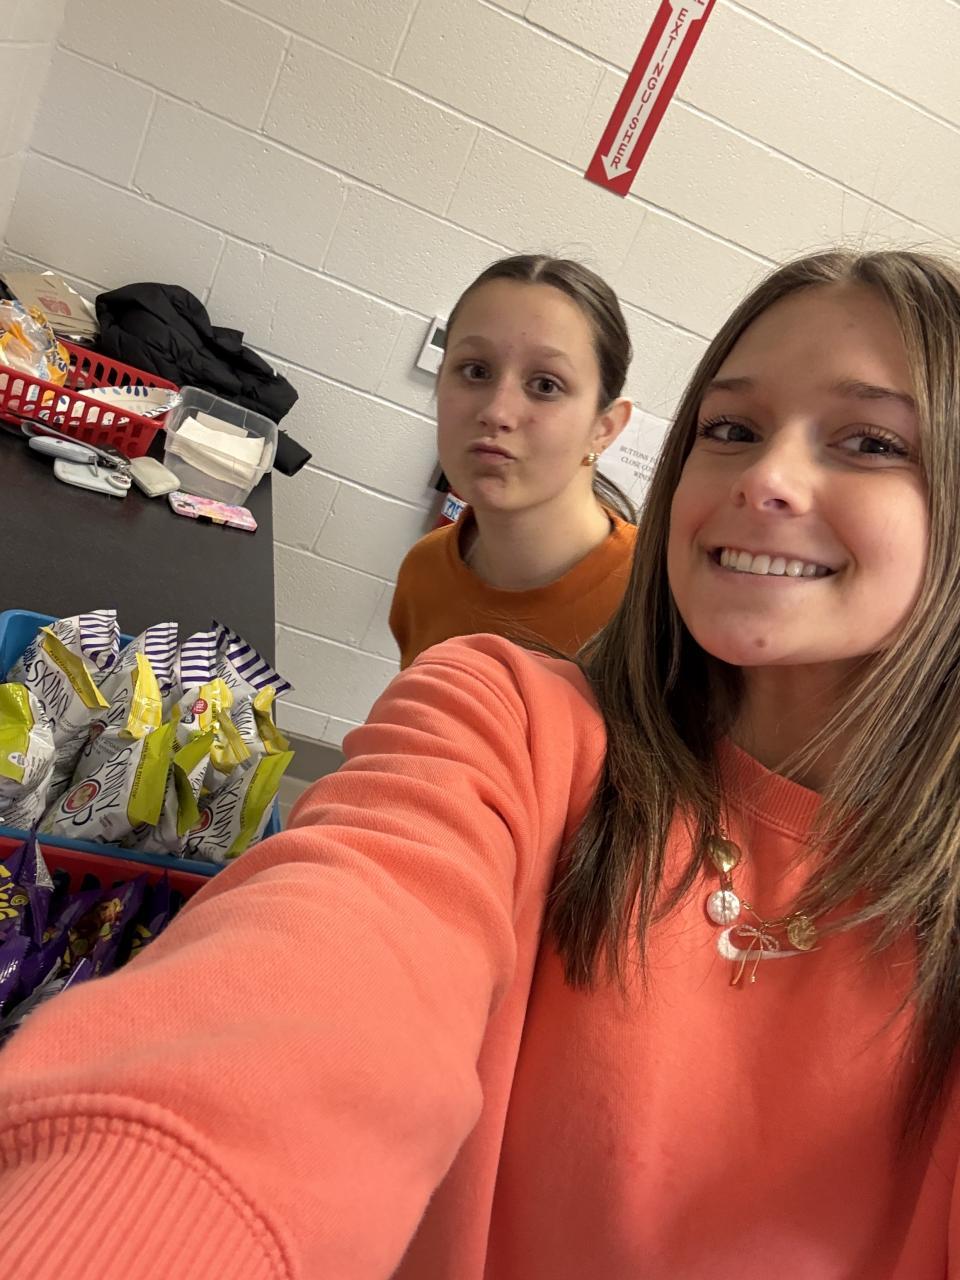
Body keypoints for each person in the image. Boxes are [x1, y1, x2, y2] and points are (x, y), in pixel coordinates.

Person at [4, 247, 960, 1280]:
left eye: (872, 442)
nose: (768, 477)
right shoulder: (487, 678)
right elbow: (340, 946)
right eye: (731, 429)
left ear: (609, 427)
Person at [389, 254, 637, 668]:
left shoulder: (658, 606)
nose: (497, 412)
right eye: (475, 371)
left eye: (546, 385)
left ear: (605, 427)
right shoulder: (424, 571)